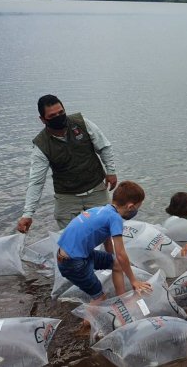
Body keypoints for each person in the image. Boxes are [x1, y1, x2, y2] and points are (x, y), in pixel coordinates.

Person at [17, 94, 118, 233]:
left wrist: (111, 171)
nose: (58, 117)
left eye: (61, 112)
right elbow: (36, 181)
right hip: (66, 197)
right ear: (42, 119)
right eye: (52, 116)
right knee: (69, 238)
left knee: (106, 230)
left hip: (96, 189)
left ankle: (109, 255)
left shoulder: (82, 123)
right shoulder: (41, 145)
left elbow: (104, 147)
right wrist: (27, 214)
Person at [56, 181, 151, 303]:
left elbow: (107, 241)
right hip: (73, 264)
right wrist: (134, 281)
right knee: (100, 298)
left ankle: (122, 301)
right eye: (137, 207)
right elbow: (121, 254)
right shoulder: (115, 218)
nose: (136, 211)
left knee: (116, 264)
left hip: (72, 255)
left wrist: (111, 260)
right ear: (130, 207)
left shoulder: (102, 210)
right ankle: (87, 321)